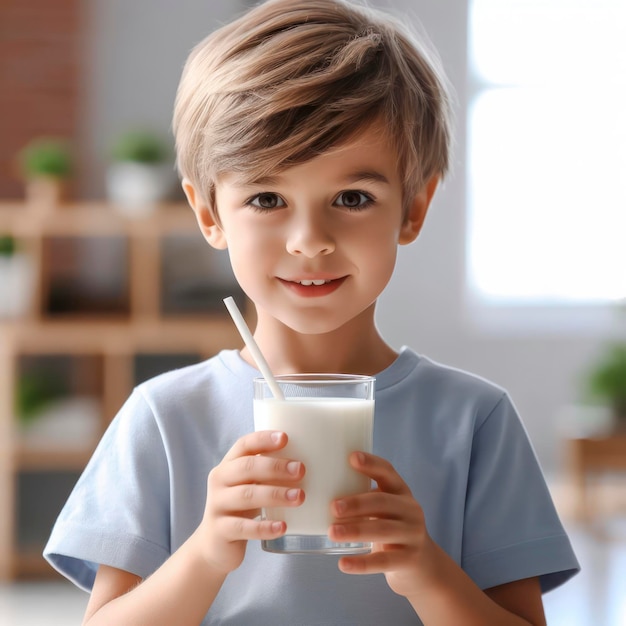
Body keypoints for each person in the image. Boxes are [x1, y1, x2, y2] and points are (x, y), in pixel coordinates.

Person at [44, 0, 579, 624]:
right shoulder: (164, 419)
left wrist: (426, 570)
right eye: (267, 197)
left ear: (413, 207)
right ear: (210, 214)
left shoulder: (473, 421)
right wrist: (206, 555)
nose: (309, 239)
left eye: (352, 197)